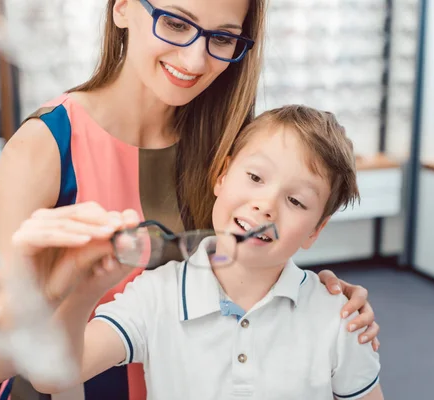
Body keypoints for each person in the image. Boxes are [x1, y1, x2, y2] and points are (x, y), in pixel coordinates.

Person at [0, 0, 380, 399]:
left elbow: (249, 260)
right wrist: (63, 284)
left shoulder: (225, 139)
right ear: (123, 7)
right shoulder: (45, 145)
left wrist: (323, 298)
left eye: (221, 37)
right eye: (176, 24)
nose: (196, 60)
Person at [21, 105, 384, 400]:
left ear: (315, 230)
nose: (266, 205)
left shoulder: (341, 317)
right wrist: (86, 287)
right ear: (222, 176)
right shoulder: (155, 296)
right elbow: (51, 374)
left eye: (295, 200)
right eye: (256, 178)